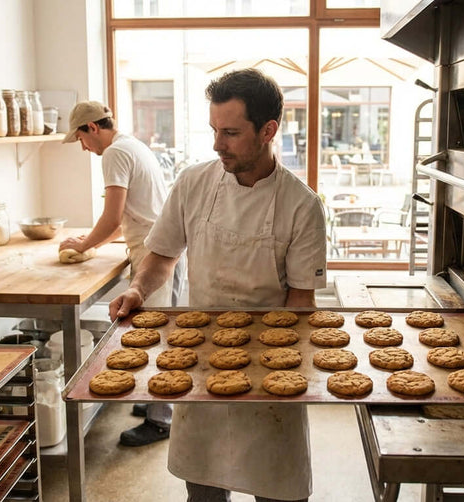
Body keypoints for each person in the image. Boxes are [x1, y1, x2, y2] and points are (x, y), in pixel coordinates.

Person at [110, 68, 327, 501]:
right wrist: (138, 290)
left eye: (229, 132)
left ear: (268, 130)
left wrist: (278, 373)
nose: (216, 143)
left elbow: (301, 302)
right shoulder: (194, 183)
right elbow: (163, 255)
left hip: (271, 373)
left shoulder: (302, 206)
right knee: (203, 489)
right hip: (200, 366)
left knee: (276, 488)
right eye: (213, 129)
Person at [61, 100, 178, 447]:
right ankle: (154, 400)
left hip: (153, 250)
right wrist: (89, 241)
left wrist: (81, 247)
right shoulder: (132, 144)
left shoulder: (113, 154)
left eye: (81, 139)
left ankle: (161, 421)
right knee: (158, 330)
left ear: (93, 128)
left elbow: (112, 217)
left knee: (153, 334)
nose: (83, 147)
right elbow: (123, 216)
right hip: (161, 243)